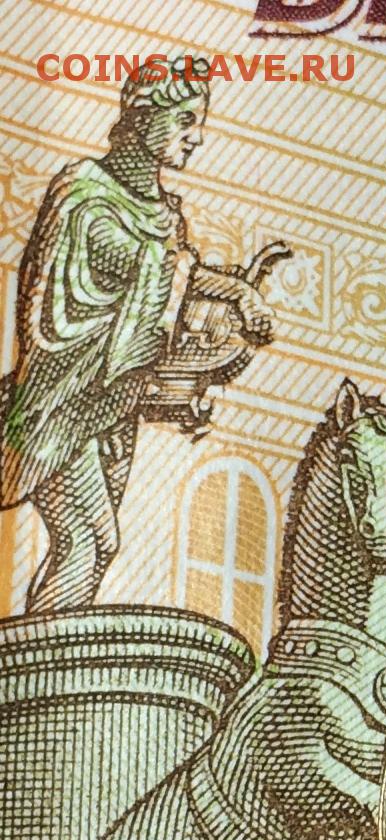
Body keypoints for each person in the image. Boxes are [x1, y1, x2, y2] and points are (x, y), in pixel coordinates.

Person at [0, 56, 275, 614]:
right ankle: (39, 659)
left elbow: (172, 286)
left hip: (115, 404)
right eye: (185, 120)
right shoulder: (84, 192)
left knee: (95, 545)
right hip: (62, 402)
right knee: (89, 538)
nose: (197, 137)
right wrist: (222, 292)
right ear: (144, 117)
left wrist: (230, 300)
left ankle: (49, 652)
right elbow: (79, 296)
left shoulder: (164, 214)